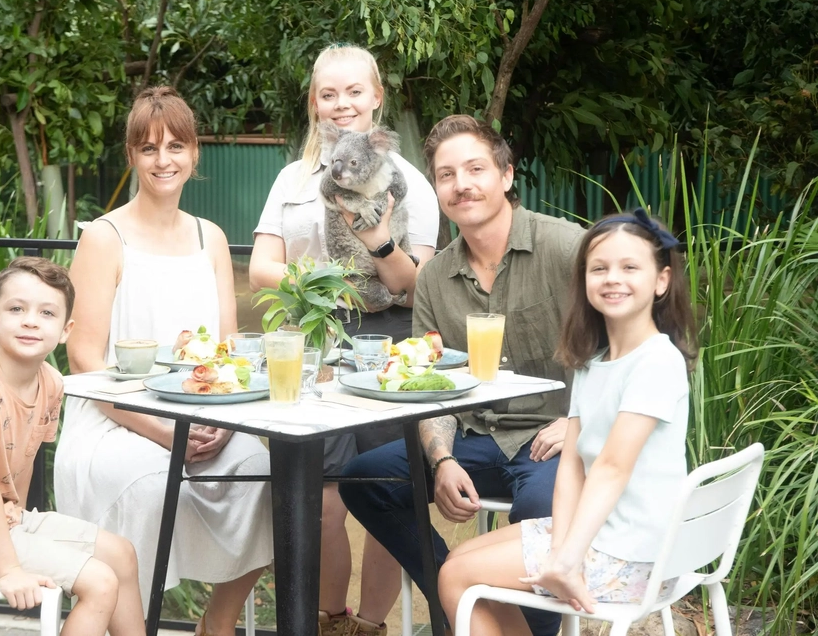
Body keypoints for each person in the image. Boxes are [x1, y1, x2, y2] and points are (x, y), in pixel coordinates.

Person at [339, 114, 584, 636]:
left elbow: (637, 343)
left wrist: (580, 423)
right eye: (447, 175)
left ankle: (517, 628)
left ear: (507, 175)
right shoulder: (434, 279)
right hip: (476, 437)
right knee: (366, 478)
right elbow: (434, 386)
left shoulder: (567, 248)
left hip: (555, 442)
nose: (462, 184)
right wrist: (441, 458)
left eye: (475, 168)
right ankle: (458, 600)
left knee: (542, 509)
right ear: (437, 188)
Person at [54, 86, 272, 636]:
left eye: (176, 146)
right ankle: (132, 625)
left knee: (263, 469)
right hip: (111, 417)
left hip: (200, 416)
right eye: (148, 149)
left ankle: (216, 624)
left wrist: (223, 425)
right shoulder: (104, 239)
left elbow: (224, 352)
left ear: (195, 153)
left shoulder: (212, 238)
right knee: (153, 482)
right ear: (131, 156)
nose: (163, 160)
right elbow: (83, 358)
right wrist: (160, 430)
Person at [249, 44, 440, 636]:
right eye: (329, 94)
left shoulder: (408, 182)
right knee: (322, 491)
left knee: (388, 488)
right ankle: (330, 619)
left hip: (389, 345)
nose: (342, 105)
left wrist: (378, 258)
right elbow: (262, 268)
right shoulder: (293, 178)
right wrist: (327, 290)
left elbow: (418, 287)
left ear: (377, 96)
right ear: (314, 102)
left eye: (355, 91)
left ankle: (373, 625)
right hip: (314, 341)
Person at [438, 208, 696, 633]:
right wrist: (560, 547)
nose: (613, 278)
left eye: (630, 267)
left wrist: (566, 558)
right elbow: (572, 464)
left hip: (634, 554)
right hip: (597, 535)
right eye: (600, 268)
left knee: (457, 578)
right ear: (584, 280)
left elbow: (612, 469)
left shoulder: (657, 360)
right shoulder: (593, 361)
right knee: (458, 562)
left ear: (662, 280)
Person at [0, 256, 144, 636]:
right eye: (16, 309)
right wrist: (9, 570)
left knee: (122, 555)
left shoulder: (51, 383)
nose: (30, 321)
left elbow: (19, 465)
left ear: (66, 329)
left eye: (47, 313)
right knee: (100, 584)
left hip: (2, 523)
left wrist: (17, 517)